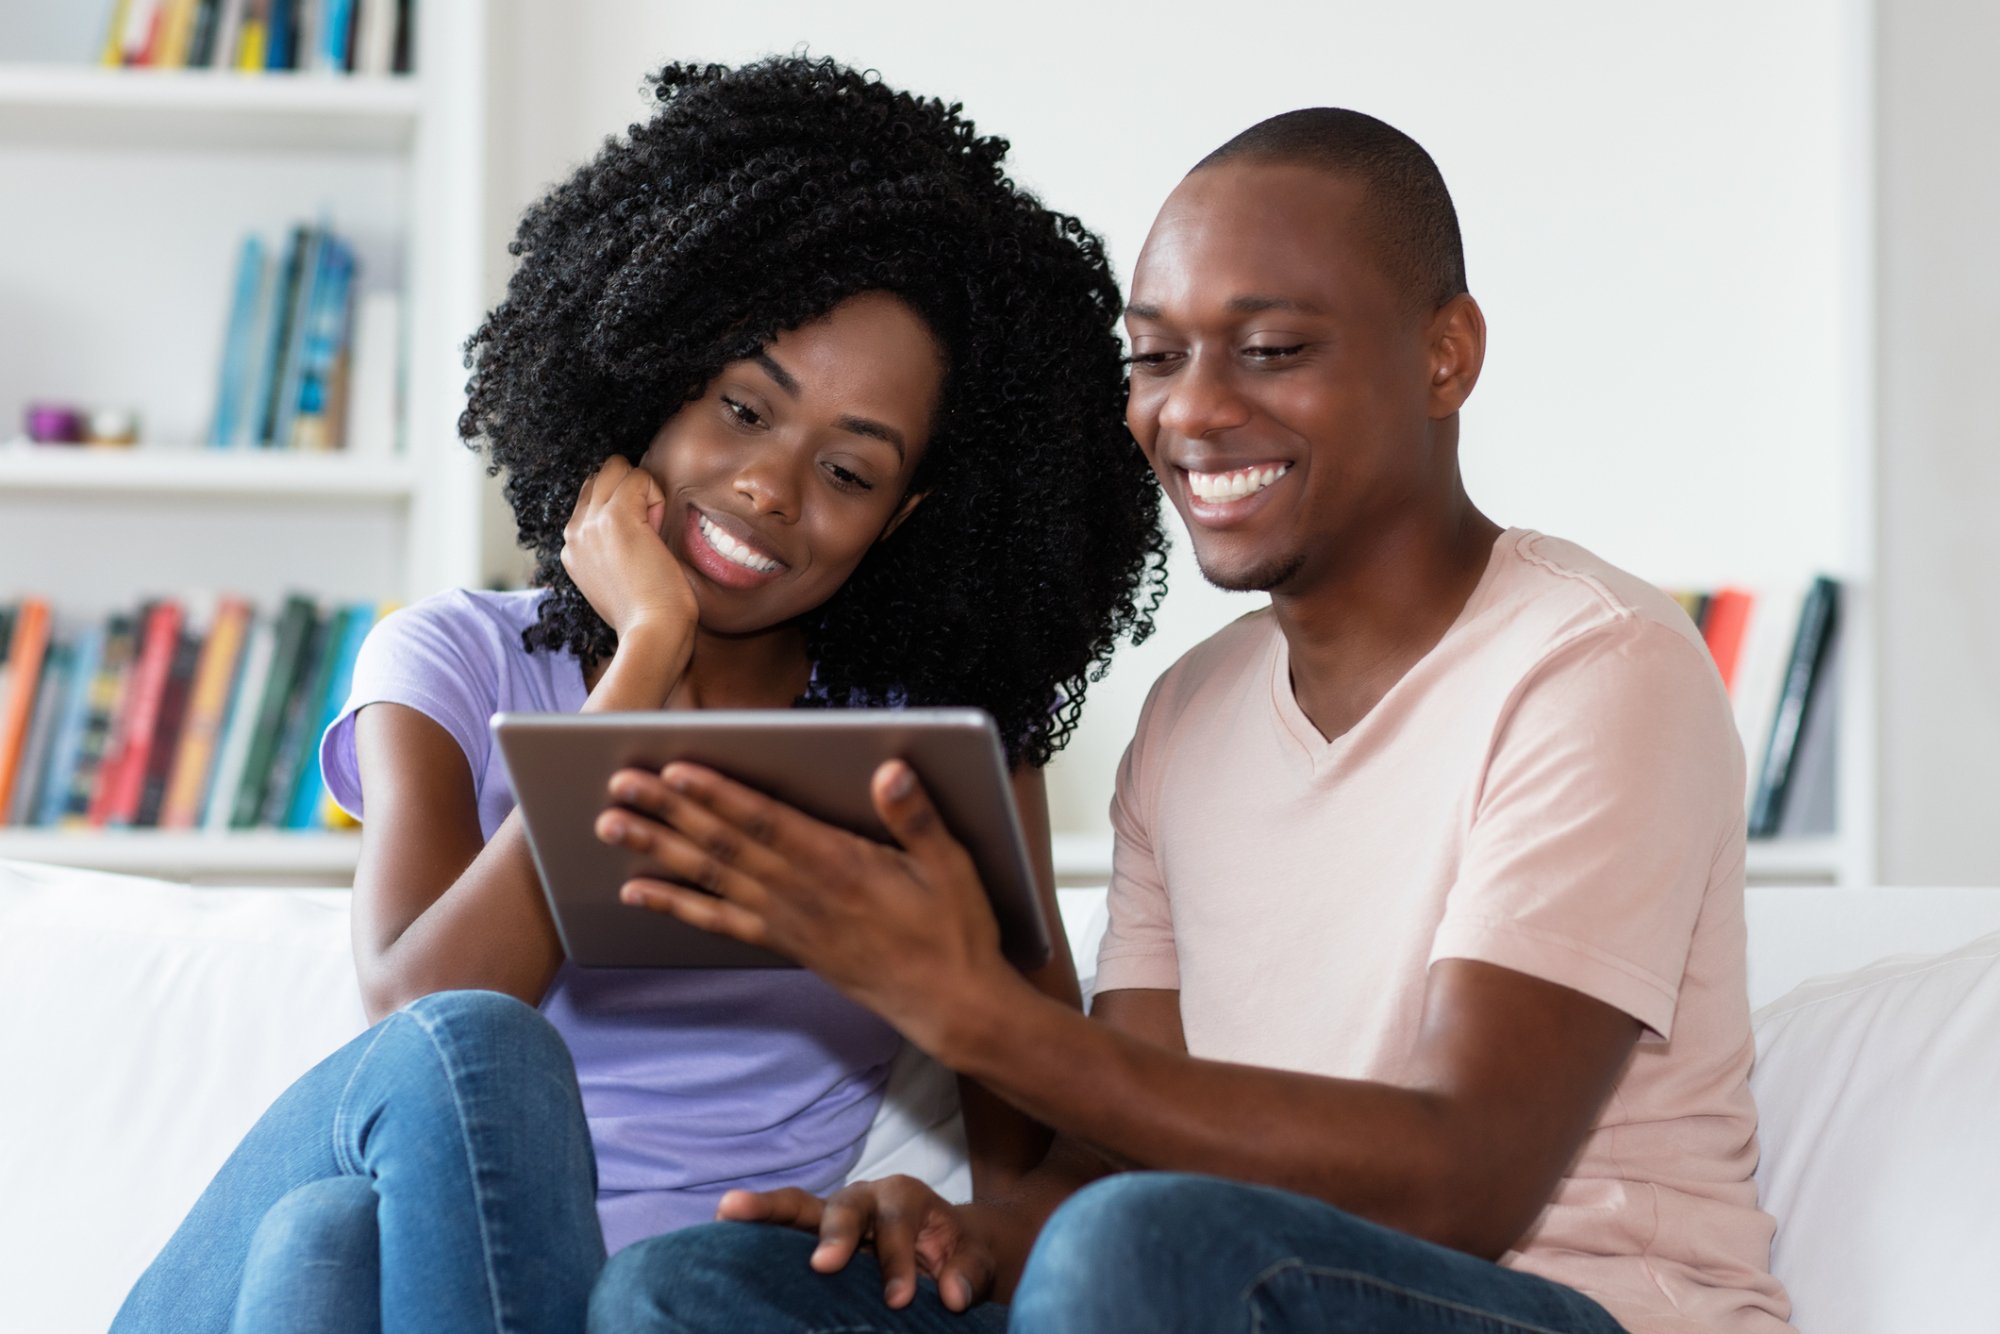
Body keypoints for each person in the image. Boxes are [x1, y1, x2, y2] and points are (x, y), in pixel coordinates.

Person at [585, 108, 1795, 1333]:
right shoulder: (1186, 718)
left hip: (1562, 1306)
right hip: (1197, 1282)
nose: (1192, 411)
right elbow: (1110, 1161)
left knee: (1137, 1245)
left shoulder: (1595, 663)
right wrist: (970, 1232)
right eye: (1154, 358)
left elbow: (1462, 1178)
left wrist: (975, 1012)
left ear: (1445, 354)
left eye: (1268, 348)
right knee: (694, 1286)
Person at [112, 55, 1167, 1334]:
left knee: (332, 1249)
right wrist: (646, 656)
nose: (769, 486)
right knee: (444, 1094)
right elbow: (423, 1012)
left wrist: (946, 1214)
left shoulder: (932, 749)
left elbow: (1038, 1150)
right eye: (738, 406)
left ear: (905, 522)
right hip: (379, 1235)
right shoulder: (447, 658)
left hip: (644, 1300)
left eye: (845, 468)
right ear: (651, 368)